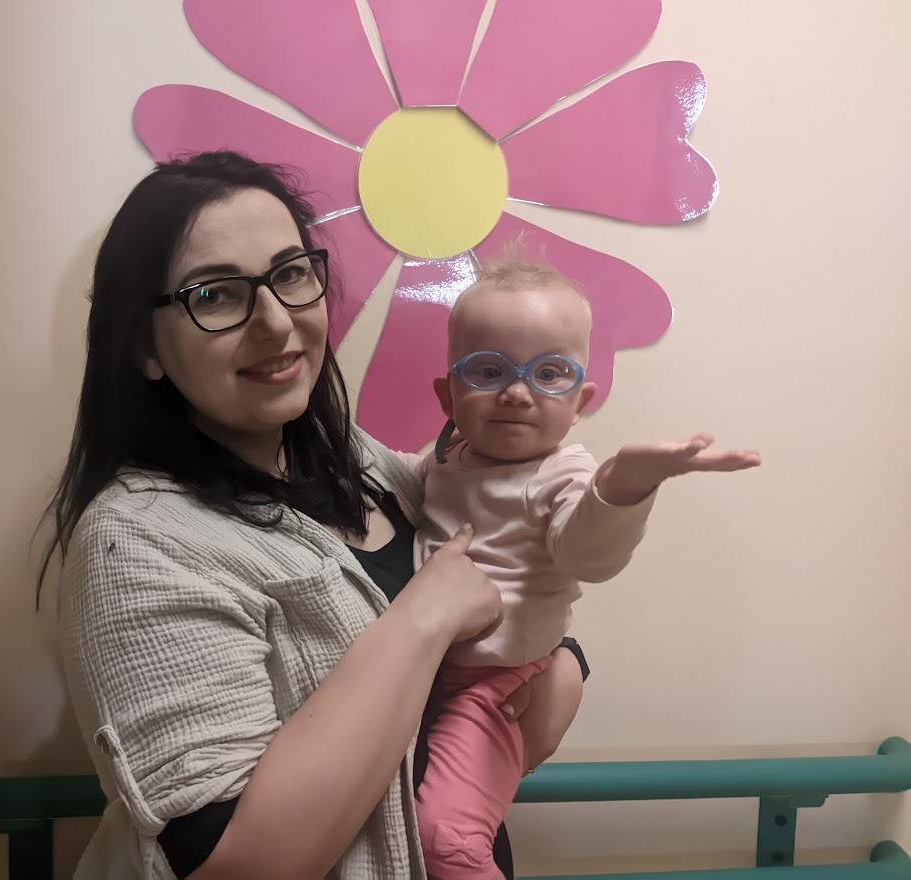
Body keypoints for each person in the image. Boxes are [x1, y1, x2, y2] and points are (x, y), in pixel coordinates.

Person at [41, 151, 587, 879]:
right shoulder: (137, 540)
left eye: (290, 274)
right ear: (143, 345)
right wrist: (425, 619)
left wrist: (565, 665)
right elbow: (238, 867)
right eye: (215, 295)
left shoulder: (364, 463)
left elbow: (514, 591)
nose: (276, 323)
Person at [406, 260, 761, 879]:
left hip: (492, 686)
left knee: (444, 837)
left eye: (549, 374)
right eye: (489, 371)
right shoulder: (439, 460)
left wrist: (624, 484)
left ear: (579, 403)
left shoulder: (561, 474)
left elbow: (587, 555)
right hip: (416, 676)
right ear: (448, 395)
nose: (517, 393)